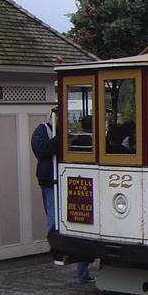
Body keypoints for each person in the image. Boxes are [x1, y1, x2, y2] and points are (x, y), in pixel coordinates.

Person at [31, 114, 93, 283]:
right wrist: (61, 139)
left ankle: (82, 270)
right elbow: (42, 150)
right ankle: (56, 249)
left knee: (79, 220)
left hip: (65, 180)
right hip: (51, 181)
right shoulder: (42, 130)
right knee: (53, 218)